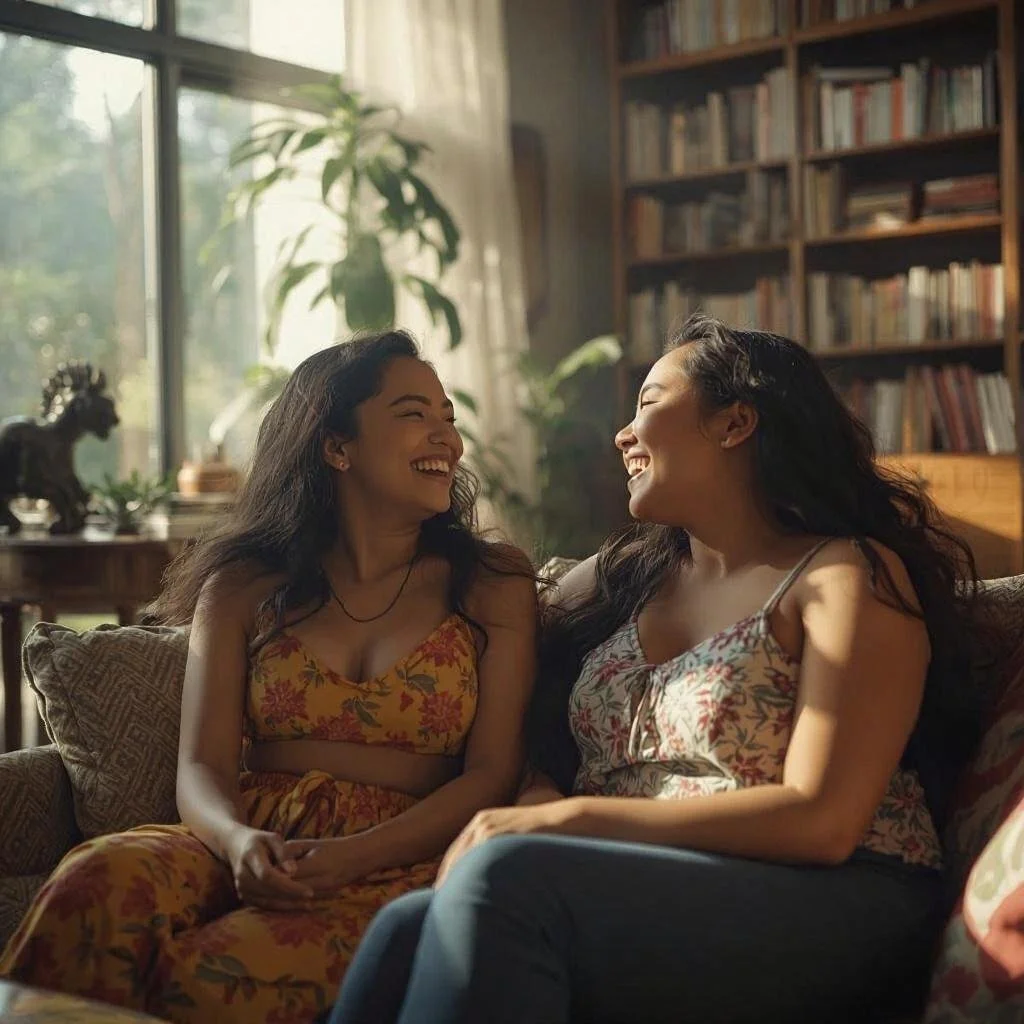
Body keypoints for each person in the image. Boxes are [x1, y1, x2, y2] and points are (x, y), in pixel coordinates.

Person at [328, 313, 988, 1024]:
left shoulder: (842, 572)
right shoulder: (623, 579)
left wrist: (573, 818)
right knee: (406, 925)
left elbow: (822, 820)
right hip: (654, 887)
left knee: (504, 877)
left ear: (735, 423)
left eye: (647, 403)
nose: (622, 434)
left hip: (841, 892)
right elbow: (495, 612)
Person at [0, 330, 538, 1023]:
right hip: (241, 835)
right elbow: (202, 764)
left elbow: (492, 776)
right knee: (94, 886)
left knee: (210, 976)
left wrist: (350, 856)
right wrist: (235, 841)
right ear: (335, 445)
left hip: (399, 855)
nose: (448, 439)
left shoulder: (492, 583)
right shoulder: (244, 584)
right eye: (414, 414)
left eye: (448, 418)